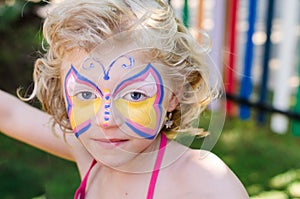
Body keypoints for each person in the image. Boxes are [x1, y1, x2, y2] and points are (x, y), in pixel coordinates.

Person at [0, 0, 249, 198]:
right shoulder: (90, 155)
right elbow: (8, 113)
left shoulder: (204, 181)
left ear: (175, 96)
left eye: (135, 95)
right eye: (86, 94)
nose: (106, 120)